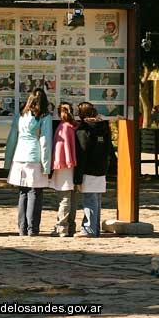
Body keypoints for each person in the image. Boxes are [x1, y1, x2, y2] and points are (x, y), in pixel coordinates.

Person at [6, 88, 53, 236]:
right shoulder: (44, 117)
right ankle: (33, 228)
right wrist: (46, 165)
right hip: (34, 157)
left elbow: (12, 138)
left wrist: (8, 161)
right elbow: (45, 142)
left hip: (19, 156)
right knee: (35, 193)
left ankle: (22, 228)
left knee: (23, 193)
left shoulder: (20, 115)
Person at [73, 102, 113, 238]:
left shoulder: (83, 130)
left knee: (89, 199)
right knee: (96, 199)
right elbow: (109, 149)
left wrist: (77, 176)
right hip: (101, 168)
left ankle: (89, 228)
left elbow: (82, 153)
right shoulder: (104, 127)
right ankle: (94, 228)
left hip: (88, 170)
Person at [50, 102, 78, 237]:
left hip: (64, 165)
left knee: (64, 198)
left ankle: (62, 227)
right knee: (72, 197)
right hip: (72, 165)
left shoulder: (63, 127)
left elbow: (62, 148)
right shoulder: (74, 126)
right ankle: (71, 226)